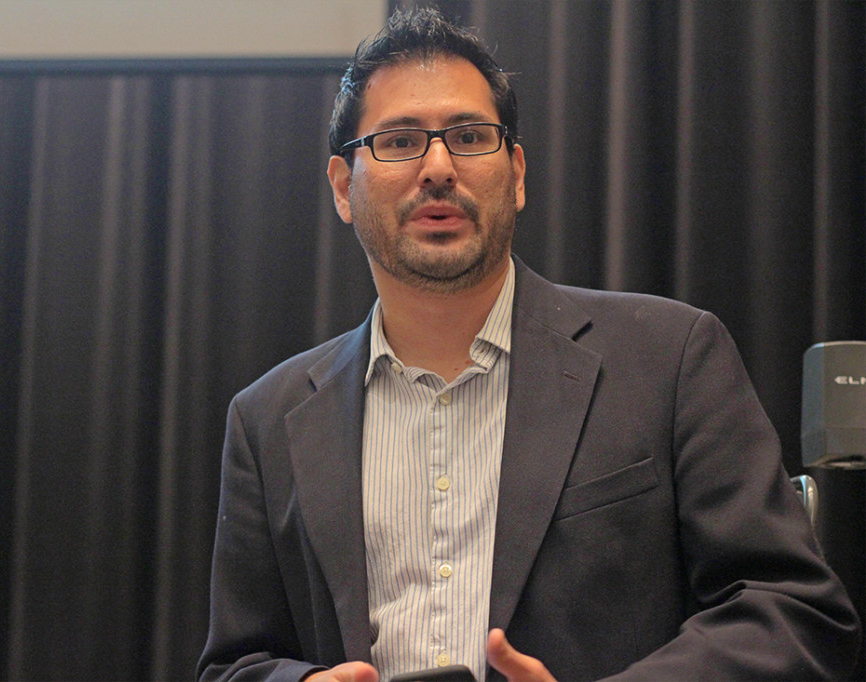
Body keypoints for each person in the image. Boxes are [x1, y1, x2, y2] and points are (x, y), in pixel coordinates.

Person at [197, 8, 860, 682]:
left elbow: (792, 611)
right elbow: (234, 664)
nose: (437, 166)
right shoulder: (267, 420)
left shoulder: (672, 358)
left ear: (516, 173)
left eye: (468, 135)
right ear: (343, 186)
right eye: (398, 142)